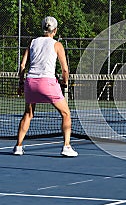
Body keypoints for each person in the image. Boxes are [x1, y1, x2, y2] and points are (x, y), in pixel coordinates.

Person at [12, 16, 78, 157]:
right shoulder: (57, 45)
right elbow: (65, 70)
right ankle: (66, 146)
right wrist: (65, 82)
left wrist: (21, 83)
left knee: (28, 114)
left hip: (30, 82)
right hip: (47, 83)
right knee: (66, 113)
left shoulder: (32, 42)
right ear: (55, 30)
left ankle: (18, 146)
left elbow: (23, 66)